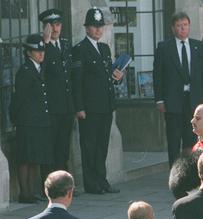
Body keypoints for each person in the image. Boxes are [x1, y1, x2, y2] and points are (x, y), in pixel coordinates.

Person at [71, 7, 123, 195]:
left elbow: (108, 75)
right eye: (94, 26)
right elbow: (77, 82)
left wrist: (119, 76)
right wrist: (79, 107)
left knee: (102, 145)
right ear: (87, 28)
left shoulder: (104, 48)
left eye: (100, 26)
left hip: (105, 105)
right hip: (89, 107)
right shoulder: (79, 50)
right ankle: (91, 183)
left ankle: (102, 180)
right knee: (89, 145)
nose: (98, 30)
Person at [153, 11, 203, 167]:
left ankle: (190, 170)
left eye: (185, 25)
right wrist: (159, 99)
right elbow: (158, 75)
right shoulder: (164, 47)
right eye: (179, 26)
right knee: (173, 138)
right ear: (173, 28)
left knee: (191, 138)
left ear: (189, 26)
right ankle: (175, 172)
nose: (182, 29)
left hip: (194, 99)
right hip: (173, 100)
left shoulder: (199, 46)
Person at [9, 34, 53, 204]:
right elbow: (19, 99)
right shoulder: (25, 71)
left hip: (38, 121)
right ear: (28, 52)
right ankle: (24, 193)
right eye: (37, 51)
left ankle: (31, 192)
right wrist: (17, 119)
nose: (41, 54)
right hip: (27, 122)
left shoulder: (37, 68)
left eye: (42, 50)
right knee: (25, 158)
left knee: (35, 158)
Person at [39, 9, 75, 173]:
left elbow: (71, 75)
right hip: (51, 107)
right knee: (50, 148)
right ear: (45, 27)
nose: (55, 29)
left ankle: (63, 183)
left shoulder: (66, 45)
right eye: (51, 26)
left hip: (66, 107)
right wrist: (45, 44)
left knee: (63, 148)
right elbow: (39, 73)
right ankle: (49, 184)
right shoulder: (41, 47)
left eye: (58, 25)